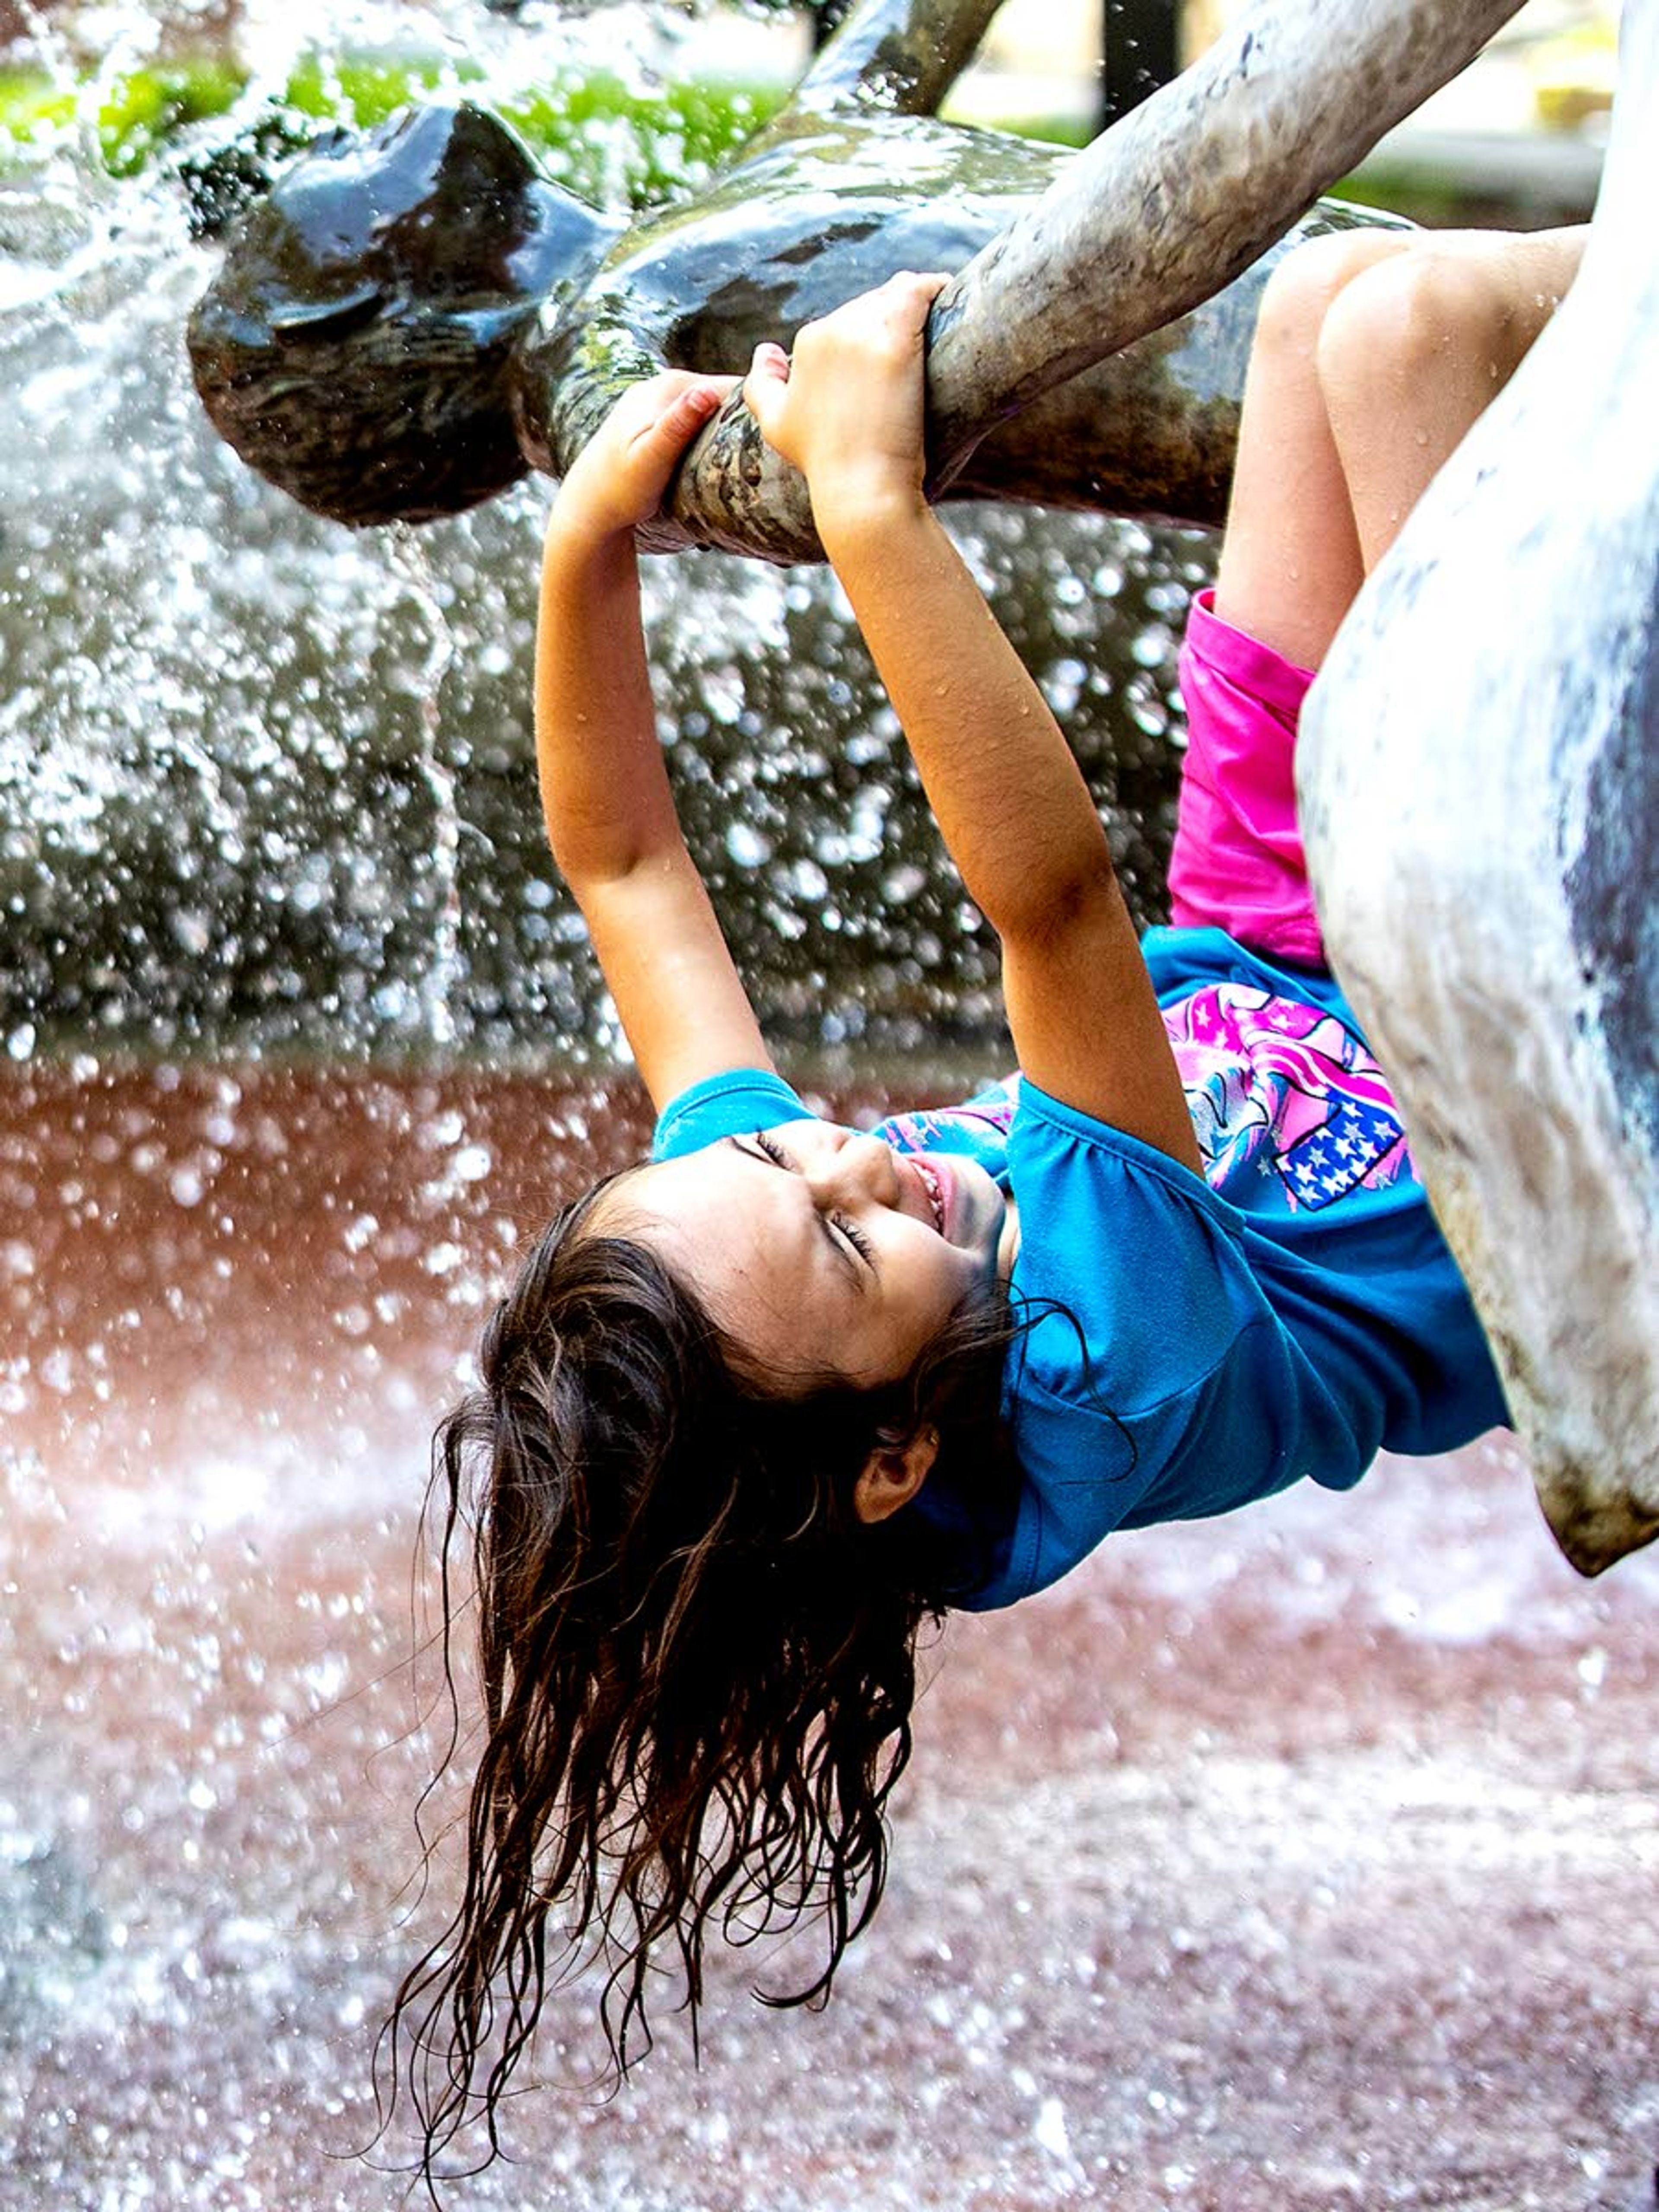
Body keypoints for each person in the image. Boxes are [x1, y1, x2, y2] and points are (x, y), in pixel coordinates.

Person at [381, 222, 1584, 2176]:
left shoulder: (770, 1262)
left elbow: (624, 869)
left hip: (1278, 938)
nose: (854, 1154)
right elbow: (1053, 907)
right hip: (1521, 1066)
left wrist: (584, 551)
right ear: (884, 1458)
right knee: (1422, 335)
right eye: (851, 1235)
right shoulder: (1096, 1367)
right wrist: (871, 508)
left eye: (780, 1155)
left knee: (1320, 320)